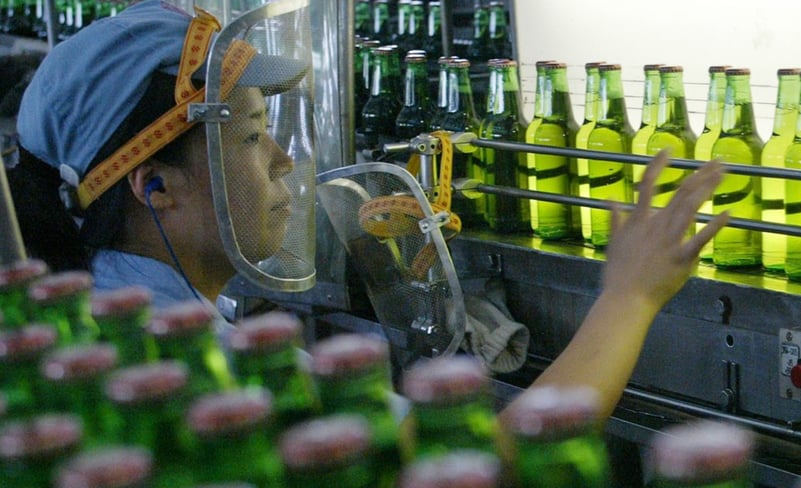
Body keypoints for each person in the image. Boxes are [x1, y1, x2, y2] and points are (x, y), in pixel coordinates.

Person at [8, 0, 729, 423]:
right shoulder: (216, 379)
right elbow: (496, 462)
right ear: (155, 187)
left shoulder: (98, 318)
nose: (285, 162)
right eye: (255, 138)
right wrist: (631, 296)